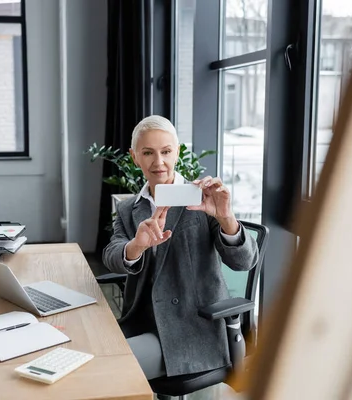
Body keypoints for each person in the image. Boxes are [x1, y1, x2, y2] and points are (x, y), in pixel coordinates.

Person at [102, 115, 259, 380]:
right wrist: (136, 246)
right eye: (148, 153)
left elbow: (244, 262)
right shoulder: (129, 208)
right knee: (91, 357)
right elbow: (111, 256)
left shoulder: (202, 198)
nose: (158, 162)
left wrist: (225, 217)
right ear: (134, 157)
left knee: (107, 372)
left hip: (192, 328)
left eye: (166, 152)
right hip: (144, 322)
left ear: (178, 152)